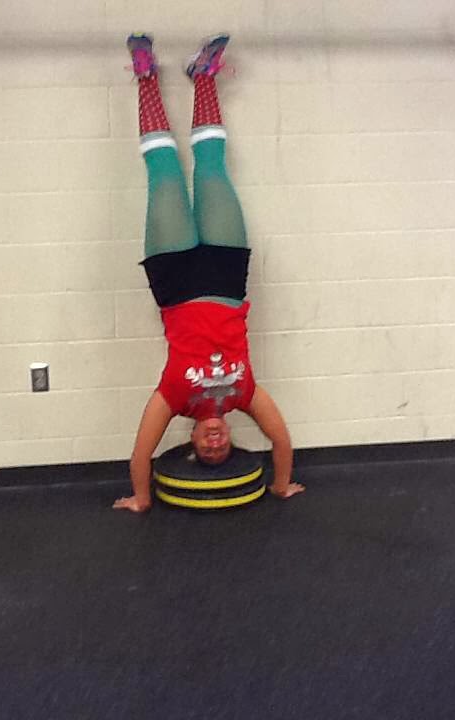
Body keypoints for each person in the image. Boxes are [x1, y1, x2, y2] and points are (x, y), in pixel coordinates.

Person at [112, 33, 305, 513]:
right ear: (230, 439)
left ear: (193, 439)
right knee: (213, 169)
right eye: (222, 449)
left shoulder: (174, 396)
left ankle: (146, 78)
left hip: (176, 283)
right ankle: (203, 76)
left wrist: (141, 497)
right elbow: (281, 439)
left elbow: (141, 453)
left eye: (206, 449)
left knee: (164, 173)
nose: (215, 444)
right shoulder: (245, 393)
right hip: (225, 278)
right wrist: (281, 484)